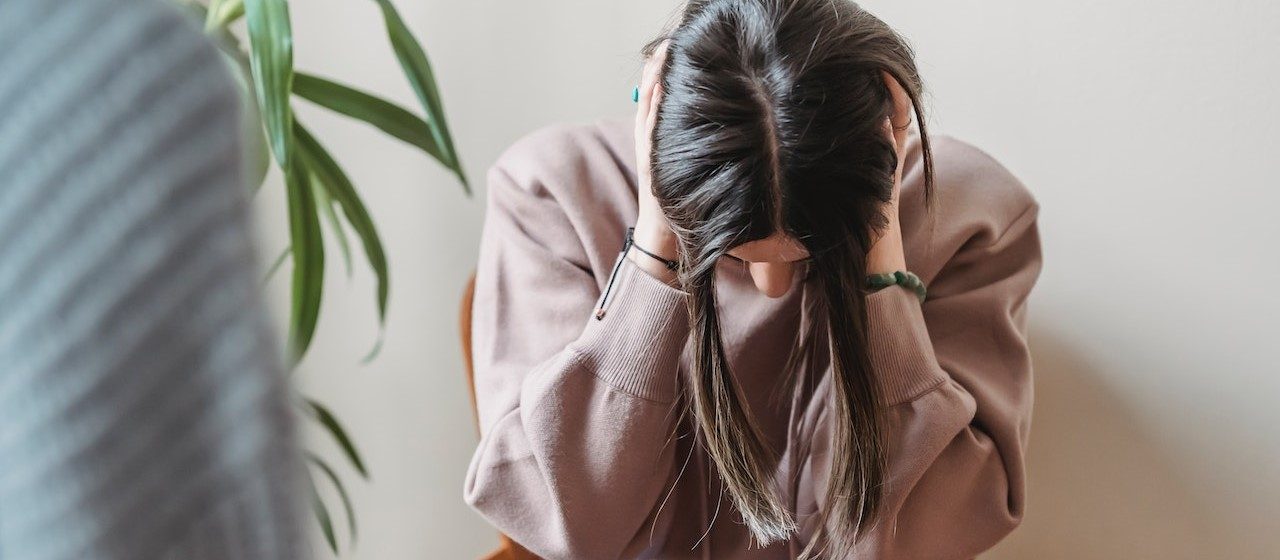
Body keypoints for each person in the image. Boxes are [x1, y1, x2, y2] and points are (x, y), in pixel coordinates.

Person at [464, 1, 1043, 558]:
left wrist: (881, 271)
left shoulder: (974, 218)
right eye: (737, 257)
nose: (771, 287)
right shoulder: (553, 194)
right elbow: (574, 527)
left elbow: (915, 543)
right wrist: (655, 252)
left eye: (809, 255)